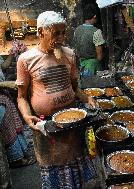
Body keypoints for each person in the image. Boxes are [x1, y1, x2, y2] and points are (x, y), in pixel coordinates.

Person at [16, 11, 98, 188]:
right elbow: (21, 97)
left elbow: (75, 89)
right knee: (55, 170)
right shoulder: (26, 59)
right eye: (56, 33)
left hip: (73, 123)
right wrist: (26, 116)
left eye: (63, 33)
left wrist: (88, 98)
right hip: (47, 127)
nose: (61, 38)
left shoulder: (69, 54)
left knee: (75, 168)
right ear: (41, 33)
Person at [0, 50, 35, 168]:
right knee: (7, 128)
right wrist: (5, 84)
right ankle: (16, 160)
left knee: (13, 125)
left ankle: (23, 153)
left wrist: (11, 54)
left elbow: (4, 65)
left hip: (3, 97)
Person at [73, 3, 105, 78]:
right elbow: (99, 56)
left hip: (80, 66)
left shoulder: (77, 30)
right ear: (95, 16)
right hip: (92, 67)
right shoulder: (96, 32)